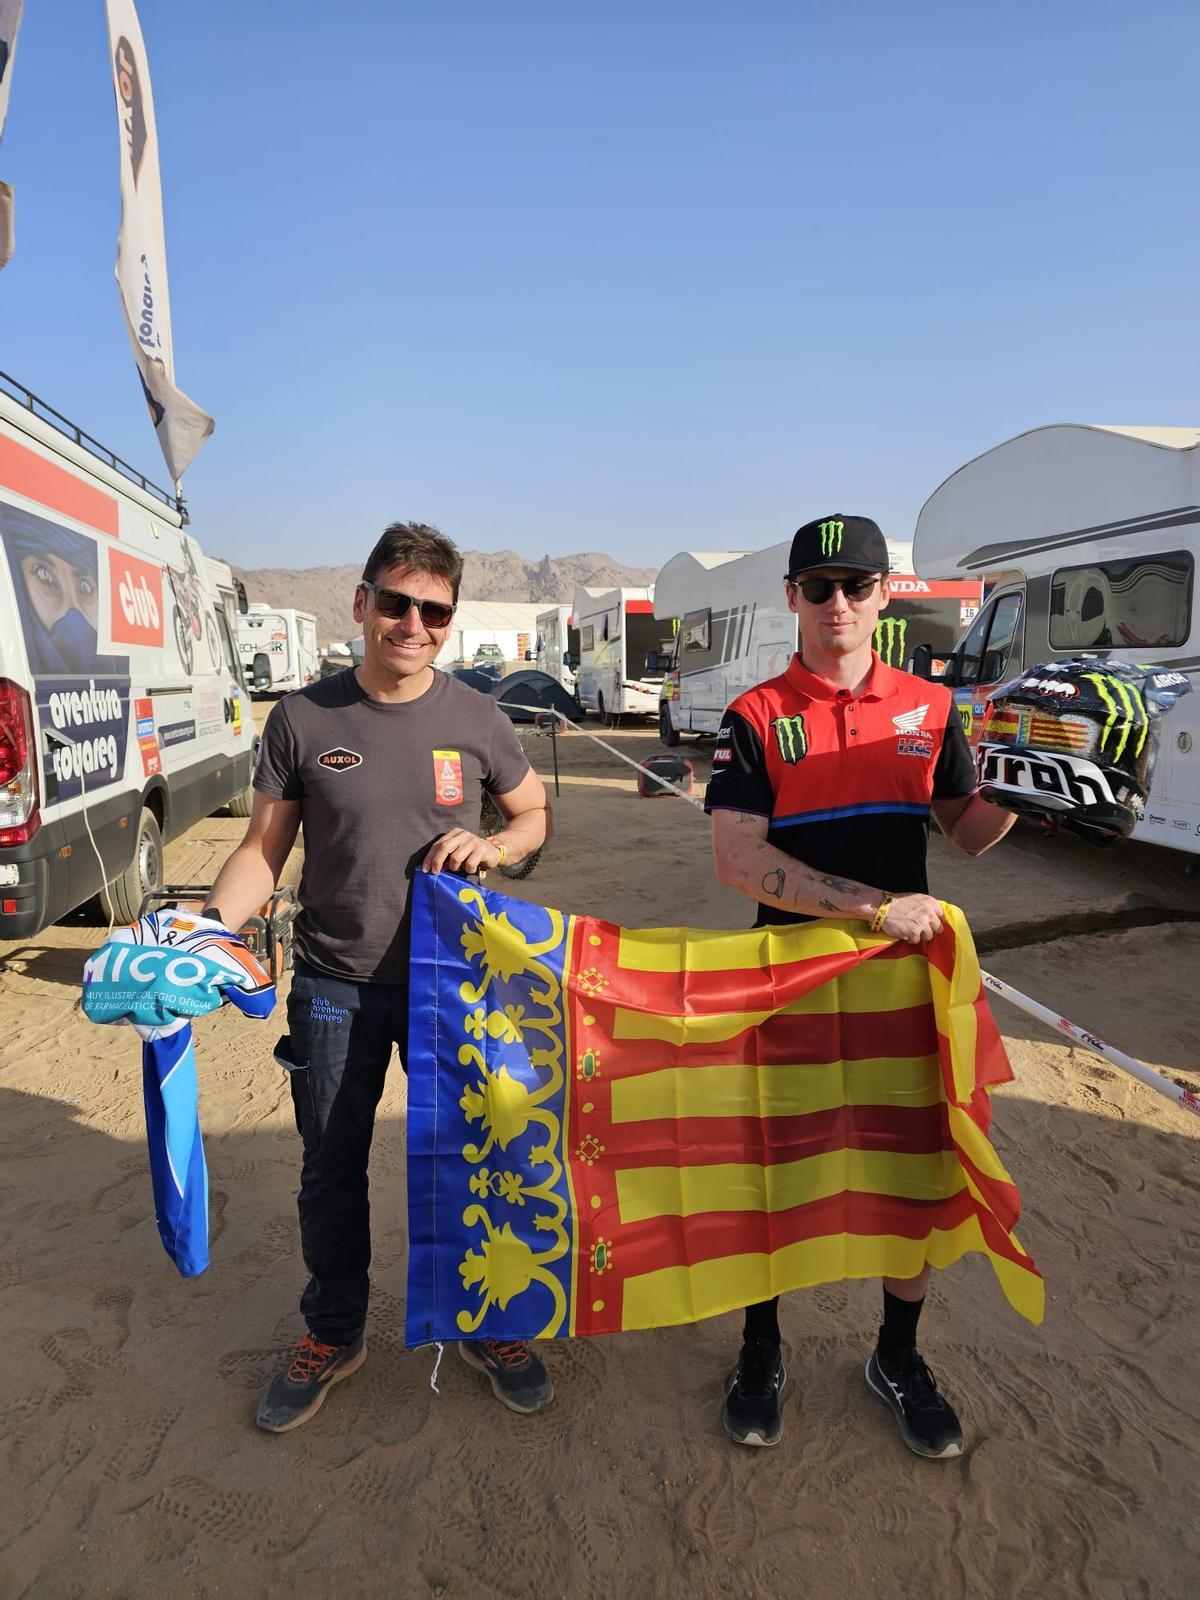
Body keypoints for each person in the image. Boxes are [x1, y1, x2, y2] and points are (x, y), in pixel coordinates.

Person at [202, 522, 553, 1433]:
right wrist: (206, 934)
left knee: (484, 1163)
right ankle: (334, 1331)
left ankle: (492, 1320)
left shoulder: (477, 717)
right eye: (395, 603)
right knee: (330, 1171)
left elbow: (532, 816)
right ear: (361, 604)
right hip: (333, 986)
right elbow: (259, 853)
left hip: (459, 985)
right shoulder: (302, 718)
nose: (413, 623)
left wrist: (499, 844)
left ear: (450, 621)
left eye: (433, 610)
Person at [704, 513, 1016, 1457]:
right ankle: (762, 1349)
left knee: (911, 1172)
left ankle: (896, 1355)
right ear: (791, 595)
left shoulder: (932, 707)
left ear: (886, 595)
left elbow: (968, 828)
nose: (837, 602)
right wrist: (877, 905)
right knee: (774, 1171)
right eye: (818, 585)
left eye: (857, 585)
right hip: (787, 983)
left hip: (900, 991)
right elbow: (738, 862)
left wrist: (1059, 796)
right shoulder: (754, 716)